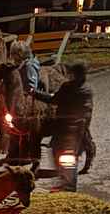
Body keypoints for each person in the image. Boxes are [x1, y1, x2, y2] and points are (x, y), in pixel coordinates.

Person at [38, 62, 94, 191]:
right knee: (66, 154)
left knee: (64, 155)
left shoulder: (68, 87)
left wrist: (35, 93)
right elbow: (88, 111)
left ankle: (69, 185)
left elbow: (54, 100)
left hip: (65, 127)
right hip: (79, 128)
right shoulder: (87, 89)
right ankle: (67, 182)